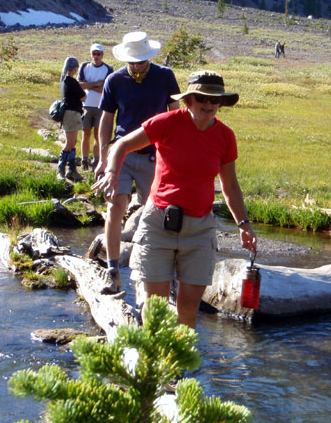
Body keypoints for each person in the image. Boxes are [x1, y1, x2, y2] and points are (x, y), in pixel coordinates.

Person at [92, 71, 257, 328]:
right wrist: (112, 172)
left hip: (200, 229)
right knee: (154, 307)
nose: (210, 104)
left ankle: (180, 367)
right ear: (188, 100)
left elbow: (230, 185)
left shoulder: (225, 137)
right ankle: (151, 363)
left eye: (216, 99)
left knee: (189, 311)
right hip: (159, 224)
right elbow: (121, 144)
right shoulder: (167, 122)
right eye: (203, 97)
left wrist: (243, 225)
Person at [95, 31, 180, 290]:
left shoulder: (165, 77)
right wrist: (102, 158)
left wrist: (175, 154)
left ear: (149, 57)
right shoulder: (114, 80)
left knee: (159, 212)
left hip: (154, 156)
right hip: (122, 154)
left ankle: (164, 274)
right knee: (115, 207)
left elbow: (175, 115)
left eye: (141, 61)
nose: (137, 66)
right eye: (133, 62)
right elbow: (107, 119)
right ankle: (112, 269)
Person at [78, 44, 113, 171]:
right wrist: (96, 84)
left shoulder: (108, 69)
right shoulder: (84, 66)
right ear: (91, 54)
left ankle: (97, 160)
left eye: (98, 54)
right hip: (86, 105)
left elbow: (106, 89)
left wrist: (88, 85)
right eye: (94, 54)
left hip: (101, 107)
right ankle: (84, 159)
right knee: (85, 134)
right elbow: (79, 85)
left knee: (98, 135)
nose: (96, 56)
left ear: (102, 55)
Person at [57, 56, 86, 182]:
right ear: (74, 68)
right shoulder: (72, 82)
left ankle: (71, 170)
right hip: (72, 114)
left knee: (72, 142)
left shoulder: (63, 81)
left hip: (69, 114)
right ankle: (61, 169)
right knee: (70, 143)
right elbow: (83, 97)